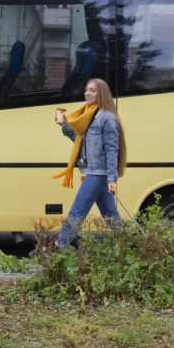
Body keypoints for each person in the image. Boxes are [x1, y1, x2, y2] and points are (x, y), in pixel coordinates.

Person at [53, 78, 127, 248]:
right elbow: (81, 143)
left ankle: (57, 248)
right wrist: (64, 125)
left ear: (102, 94)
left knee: (76, 213)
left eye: (93, 90)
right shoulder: (90, 116)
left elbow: (112, 150)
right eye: (87, 89)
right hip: (94, 172)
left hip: (98, 173)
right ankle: (130, 244)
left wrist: (112, 179)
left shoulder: (107, 118)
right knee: (110, 215)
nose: (87, 93)